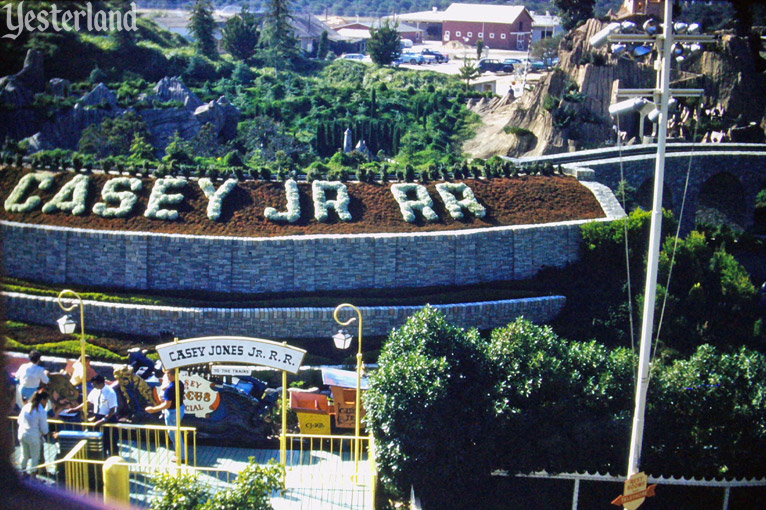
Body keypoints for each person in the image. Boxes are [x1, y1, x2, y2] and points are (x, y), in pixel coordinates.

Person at [65, 374, 118, 456]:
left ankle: (114, 461)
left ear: (100, 383)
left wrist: (104, 420)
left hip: (108, 419)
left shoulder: (110, 393)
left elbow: (113, 409)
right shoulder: (95, 390)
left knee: (111, 443)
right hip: (98, 417)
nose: (93, 386)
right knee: (100, 443)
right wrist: (75, 409)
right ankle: (101, 459)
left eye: (94, 384)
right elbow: (88, 402)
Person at [145, 368, 185, 462]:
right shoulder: (180, 383)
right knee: (176, 433)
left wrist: (153, 410)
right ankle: (179, 451)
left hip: (173, 413)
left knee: (175, 435)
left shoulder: (170, 389)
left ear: (170, 375)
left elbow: (167, 404)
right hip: (180, 408)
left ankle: (181, 457)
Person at [17, 388, 49, 476]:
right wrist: (44, 433)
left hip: (22, 434)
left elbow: (19, 421)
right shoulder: (41, 411)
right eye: (46, 401)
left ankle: (22, 472)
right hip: (34, 437)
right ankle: (33, 476)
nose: (46, 403)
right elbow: (44, 429)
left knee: (24, 455)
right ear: (42, 400)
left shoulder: (26, 407)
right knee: (35, 457)